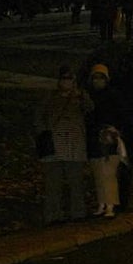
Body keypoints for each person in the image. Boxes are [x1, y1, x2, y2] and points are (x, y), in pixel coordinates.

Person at [34, 66, 93, 225]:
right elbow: (38, 118)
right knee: (53, 182)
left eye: (70, 79)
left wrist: (81, 97)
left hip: (75, 144)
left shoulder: (80, 98)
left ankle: (78, 212)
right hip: (54, 144)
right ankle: (53, 215)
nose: (67, 82)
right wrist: (44, 133)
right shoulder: (49, 98)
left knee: (76, 182)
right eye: (64, 79)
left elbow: (90, 110)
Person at [85, 64, 133, 218]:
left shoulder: (113, 95)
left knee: (109, 173)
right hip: (94, 137)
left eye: (101, 78)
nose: (97, 81)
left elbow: (123, 116)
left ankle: (110, 205)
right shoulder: (88, 97)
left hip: (109, 137)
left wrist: (117, 130)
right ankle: (102, 203)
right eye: (95, 78)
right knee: (99, 172)